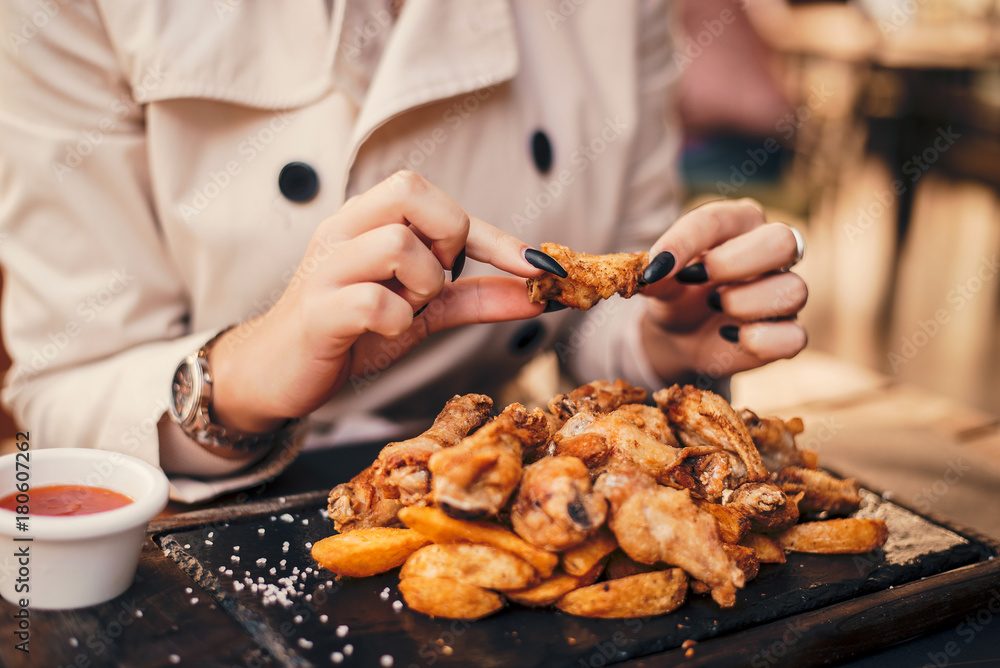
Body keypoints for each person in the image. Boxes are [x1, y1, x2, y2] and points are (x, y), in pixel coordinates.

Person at [0, 0, 807, 501]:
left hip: (501, 479)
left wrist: (657, 341)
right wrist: (244, 376)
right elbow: (65, 385)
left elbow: (597, 304)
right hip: (203, 515)